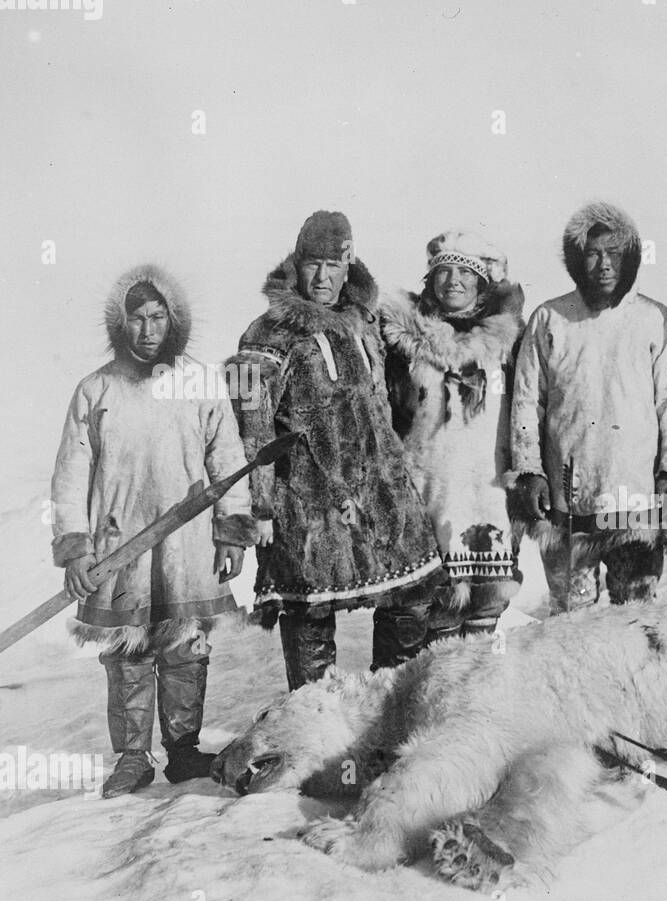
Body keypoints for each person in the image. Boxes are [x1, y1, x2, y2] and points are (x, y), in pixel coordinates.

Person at [51, 264, 258, 797]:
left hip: (187, 545)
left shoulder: (200, 384)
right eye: (138, 318)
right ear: (122, 323)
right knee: (128, 650)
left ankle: (183, 752)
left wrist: (231, 531)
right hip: (119, 546)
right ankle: (133, 756)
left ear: (174, 318)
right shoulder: (96, 390)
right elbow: (71, 476)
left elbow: (227, 458)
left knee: (186, 646)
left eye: (158, 316)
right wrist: (75, 546)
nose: (148, 330)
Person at [229, 211, 442, 689]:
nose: (321, 277)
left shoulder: (364, 323)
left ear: (349, 263)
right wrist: (258, 509)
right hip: (307, 498)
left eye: (332, 264)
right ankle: (316, 732)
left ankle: (388, 713)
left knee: (410, 599)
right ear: (296, 262)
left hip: (380, 494)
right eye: (311, 264)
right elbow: (251, 429)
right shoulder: (264, 335)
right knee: (309, 615)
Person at [510, 201, 667, 612]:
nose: (604, 265)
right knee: (571, 618)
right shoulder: (550, 319)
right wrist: (531, 471)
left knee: (636, 614)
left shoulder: (653, 318)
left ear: (631, 259)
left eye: (614, 254)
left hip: (633, 498)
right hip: (569, 500)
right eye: (592, 253)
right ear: (576, 259)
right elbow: (526, 401)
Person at [379, 229, 526, 643]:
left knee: (485, 609)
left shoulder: (507, 340)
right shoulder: (403, 340)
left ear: (482, 282)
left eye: (465, 271)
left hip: (489, 493)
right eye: (444, 271)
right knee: (437, 609)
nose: (454, 281)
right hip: (430, 490)